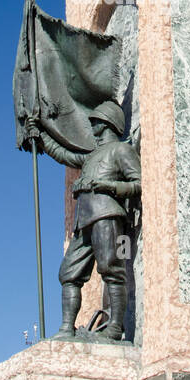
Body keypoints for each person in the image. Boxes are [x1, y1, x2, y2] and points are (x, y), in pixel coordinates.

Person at [27, 100, 140, 341]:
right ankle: (67, 327)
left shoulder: (121, 150)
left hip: (107, 215)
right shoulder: (91, 156)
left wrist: (107, 185)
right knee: (68, 273)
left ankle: (115, 328)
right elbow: (64, 154)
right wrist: (40, 135)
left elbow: (138, 184)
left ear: (107, 123)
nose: (91, 125)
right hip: (84, 221)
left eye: (95, 121)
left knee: (112, 270)